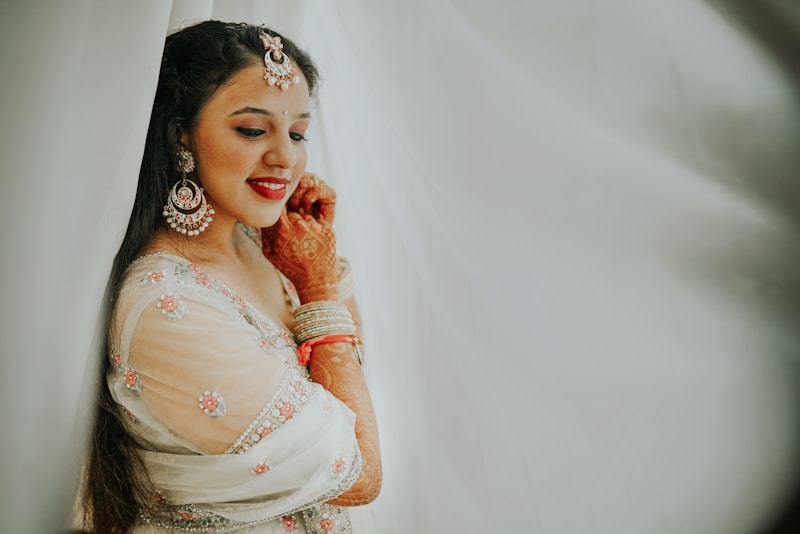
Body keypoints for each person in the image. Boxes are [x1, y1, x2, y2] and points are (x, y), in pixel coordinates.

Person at [81, 20, 381, 533]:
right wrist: (319, 290)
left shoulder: (266, 248)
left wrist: (321, 266)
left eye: (298, 133)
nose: (286, 157)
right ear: (180, 134)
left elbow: (351, 385)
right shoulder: (168, 305)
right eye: (252, 130)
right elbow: (360, 472)